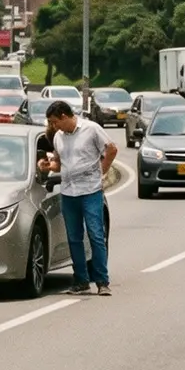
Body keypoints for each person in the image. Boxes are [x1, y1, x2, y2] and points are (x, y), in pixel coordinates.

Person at [38, 101, 115, 295]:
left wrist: (102, 171)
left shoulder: (91, 129)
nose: (53, 126)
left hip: (90, 191)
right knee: (74, 238)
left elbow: (111, 149)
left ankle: (102, 281)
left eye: (54, 122)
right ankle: (80, 279)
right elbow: (58, 163)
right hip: (68, 192)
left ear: (64, 116)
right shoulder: (58, 137)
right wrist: (48, 166)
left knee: (96, 235)